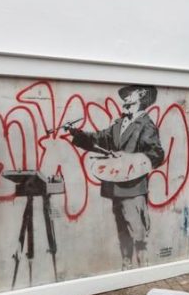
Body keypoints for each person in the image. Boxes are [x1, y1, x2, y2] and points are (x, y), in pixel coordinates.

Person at [67, 85, 165, 270]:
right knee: (123, 233)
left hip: (134, 189)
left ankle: (143, 269)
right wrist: (76, 133)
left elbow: (157, 154)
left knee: (138, 235)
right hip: (116, 188)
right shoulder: (119, 124)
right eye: (125, 94)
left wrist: (130, 159)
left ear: (141, 95)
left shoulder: (146, 124)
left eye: (130, 93)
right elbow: (99, 138)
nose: (125, 96)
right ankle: (126, 268)